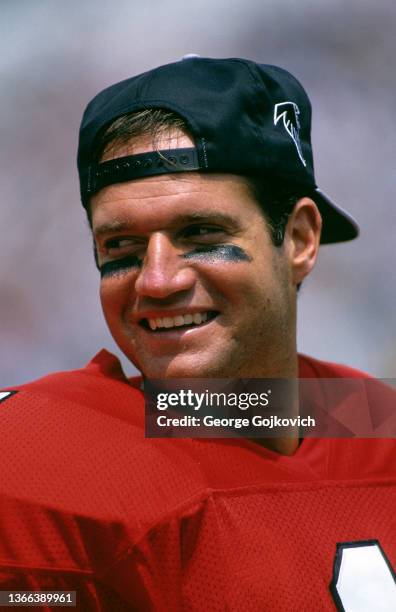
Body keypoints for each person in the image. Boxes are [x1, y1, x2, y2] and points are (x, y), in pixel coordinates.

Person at [1, 56, 395, 611]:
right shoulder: (40, 457)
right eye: (121, 247)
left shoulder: (367, 418)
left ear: (301, 239)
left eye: (201, 232)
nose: (157, 281)